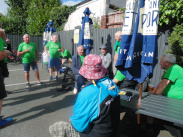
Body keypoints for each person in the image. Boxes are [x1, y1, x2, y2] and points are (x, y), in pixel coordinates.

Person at [49, 54, 120, 137]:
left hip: (96, 133)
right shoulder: (110, 83)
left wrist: (72, 121)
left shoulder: (88, 92)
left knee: (55, 127)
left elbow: (79, 126)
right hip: (112, 130)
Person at [0, 28, 13, 129]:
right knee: (0, 95)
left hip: (2, 65)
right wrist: (6, 53)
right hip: (1, 63)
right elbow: (1, 55)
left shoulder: (2, 41)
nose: (4, 36)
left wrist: (7, 46)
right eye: (2, 34)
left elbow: (5, 48)